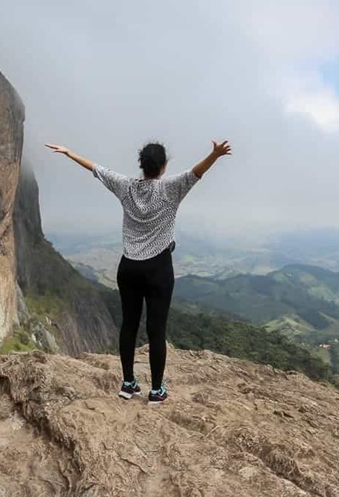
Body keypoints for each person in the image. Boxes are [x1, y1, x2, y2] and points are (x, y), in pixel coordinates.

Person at [44, 139, 233, 404]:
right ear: (164, 166)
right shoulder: (172, 188)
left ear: (142, 166)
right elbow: (196, 172)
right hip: (158, 268)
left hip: (129, 267)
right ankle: (156, 391)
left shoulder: (126, 186)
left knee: (129, 325)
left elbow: (97, 169)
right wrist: (214, 154)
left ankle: (128, 384)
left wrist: (69, 153)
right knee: (157, 329)